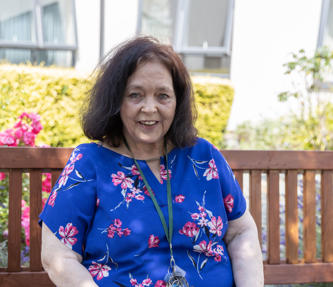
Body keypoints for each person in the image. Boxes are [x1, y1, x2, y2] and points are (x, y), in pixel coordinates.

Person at [40, 36, 263, 287]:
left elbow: (241, 232)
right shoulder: (88, 163)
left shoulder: (204, 156)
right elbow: (57, 257)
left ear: (177, 101)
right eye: (135, 95)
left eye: (163, 96)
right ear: (117, 101)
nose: (149, 108)